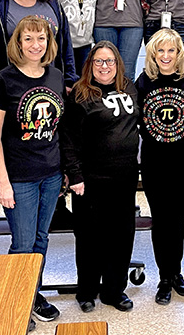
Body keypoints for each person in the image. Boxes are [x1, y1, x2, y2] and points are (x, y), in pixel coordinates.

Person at [0, 16, 66, 324]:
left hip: (51, 173)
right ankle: (16, 300)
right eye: (28, 39)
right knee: (23, 243)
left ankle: (33, 293)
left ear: (48, 43)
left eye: (41, 38)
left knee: (41, 239)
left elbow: (59, 127)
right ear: (18, 43)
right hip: (19, 177)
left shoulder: (55, 76)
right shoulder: (4, 80)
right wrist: (3, 182)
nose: (35, 45)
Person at [61, 41, 140, 313]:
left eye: (109, 62)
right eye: (98, 62)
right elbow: (68, 139)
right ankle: (86, 291)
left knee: (121, 236)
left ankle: (114, 291)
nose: (104, 67)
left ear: (118, 64)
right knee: (89, 238)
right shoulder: (80, 95)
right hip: (91, 181)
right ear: (90, 65)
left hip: (125, 179)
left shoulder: (129, 88)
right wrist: (75, 176)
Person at [135, 29, 184, 305]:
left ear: (179, 54)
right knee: (160, 220)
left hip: (183, 163)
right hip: (154, 162)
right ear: (153, 54)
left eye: (171, 50)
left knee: (178, 219)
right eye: (161, 51)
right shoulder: (143, 82)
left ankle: (177, 273)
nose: (166, 56)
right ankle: (164, 276)